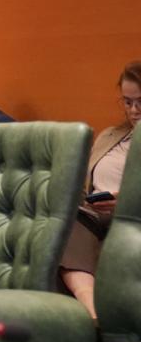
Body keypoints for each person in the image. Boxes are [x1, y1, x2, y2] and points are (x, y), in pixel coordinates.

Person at [59, 60, 141, 318]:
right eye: (127, 102)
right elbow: (85, 183)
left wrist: (127, 200)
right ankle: (89, 311)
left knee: (67, 226)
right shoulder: (110, 136)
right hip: (94, 213)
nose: (134, 110)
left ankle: (90, 310)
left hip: (131, 216)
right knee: (59, 222)